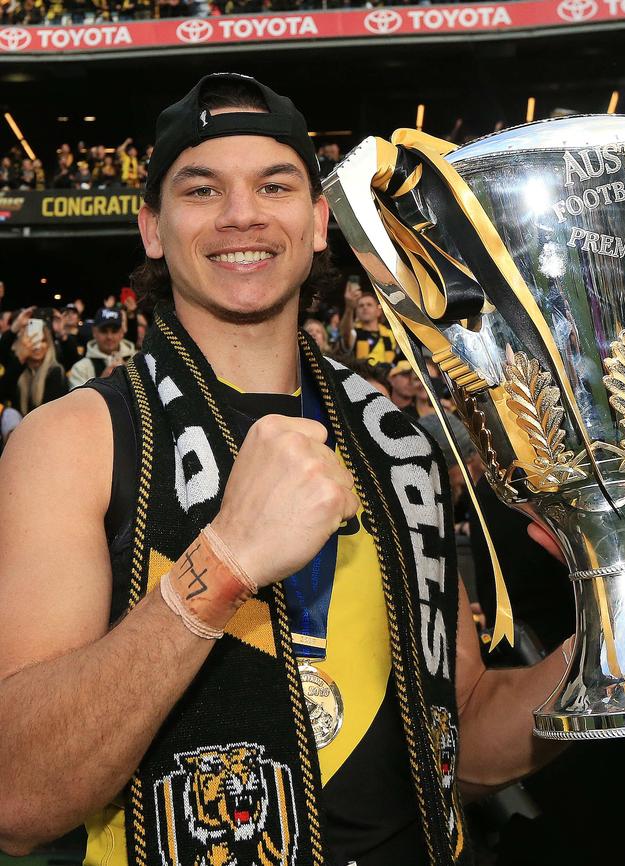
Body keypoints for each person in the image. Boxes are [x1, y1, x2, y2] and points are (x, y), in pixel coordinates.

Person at [0, 73, 572, 866]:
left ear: (315, 223)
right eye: (201, 190)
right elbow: (18, 796)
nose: (242, 214)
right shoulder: (71, 440)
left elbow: (462, 737)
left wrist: (611, 649)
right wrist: (222, 564)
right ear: (153, 229)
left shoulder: (399, 440)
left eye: (275, 185)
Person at [68, 307, 136, 388]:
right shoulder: (80, 368)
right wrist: (101, 384)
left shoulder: (138, 360)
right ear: (94, 332)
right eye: (104, 331)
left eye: (114, 331)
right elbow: (77, 400)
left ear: (122, 332)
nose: (109, 337)